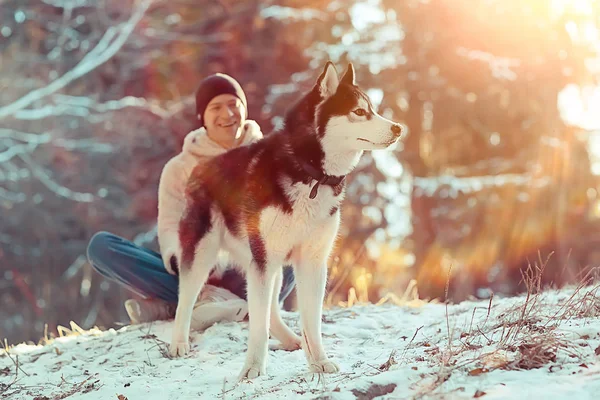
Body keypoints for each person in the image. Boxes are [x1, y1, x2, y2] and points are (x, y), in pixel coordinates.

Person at [87, 73, 295, 330]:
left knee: (292, 260)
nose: (228, 114)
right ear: (203, 118)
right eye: (216, 107)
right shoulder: (178, 169)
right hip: (194, 269)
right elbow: (170, 226)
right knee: (102, 247)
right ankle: (214, 302)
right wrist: (182, 259)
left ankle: (181, 306)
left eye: (233, 104)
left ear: (244, 107)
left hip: (249, 268)